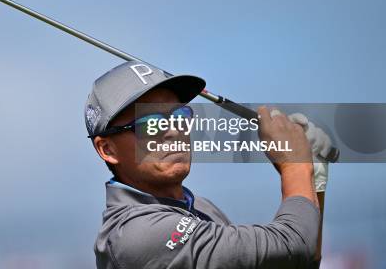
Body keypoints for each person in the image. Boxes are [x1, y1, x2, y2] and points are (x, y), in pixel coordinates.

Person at [85, 60, 330, 268]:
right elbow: (295, 245)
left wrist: (312, 181)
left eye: (180, 116)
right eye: (151, 124)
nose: (174, 130)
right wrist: (296, 164)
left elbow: (297, 260)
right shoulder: (134, 234)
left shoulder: (201, 207)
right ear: (108, 149)